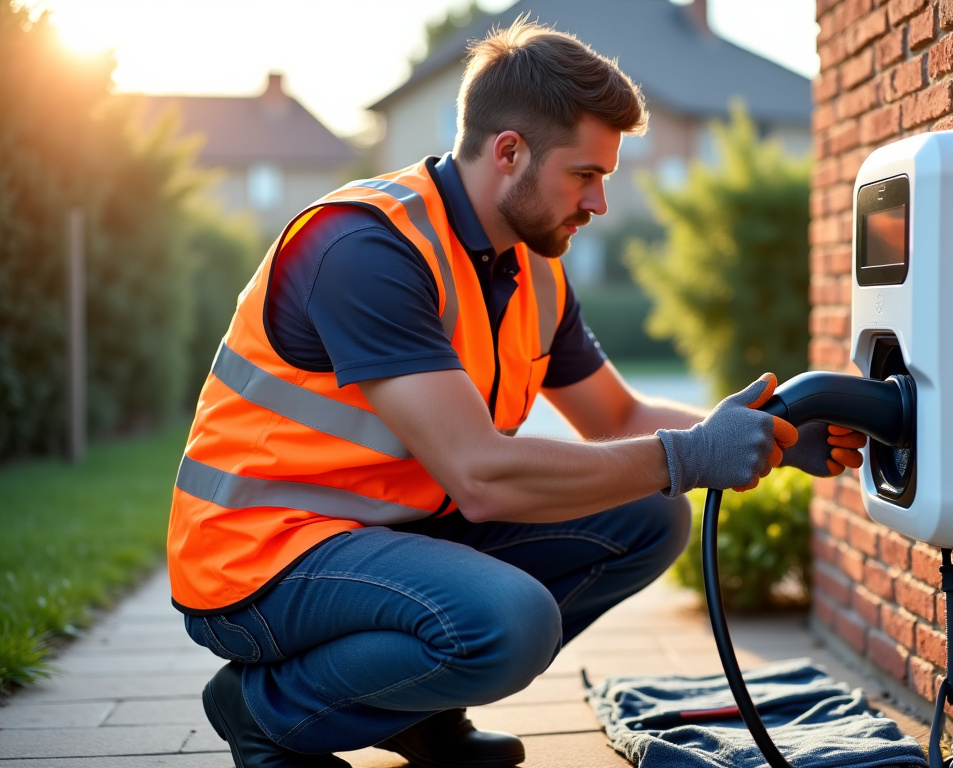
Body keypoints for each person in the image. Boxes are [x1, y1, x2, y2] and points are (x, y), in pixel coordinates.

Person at [167, 18, 864, 768]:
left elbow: (618, 417)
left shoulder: (533, 266)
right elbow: (481, 476)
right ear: (509, 153)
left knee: (649, 516)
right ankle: (263, 712)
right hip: (259, 560)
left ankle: (415, 714)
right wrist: (690, 457)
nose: (599, 203)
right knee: (511, 621)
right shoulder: (367, 248)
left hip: (389, 535)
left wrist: (773, 436)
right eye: (585, 175)